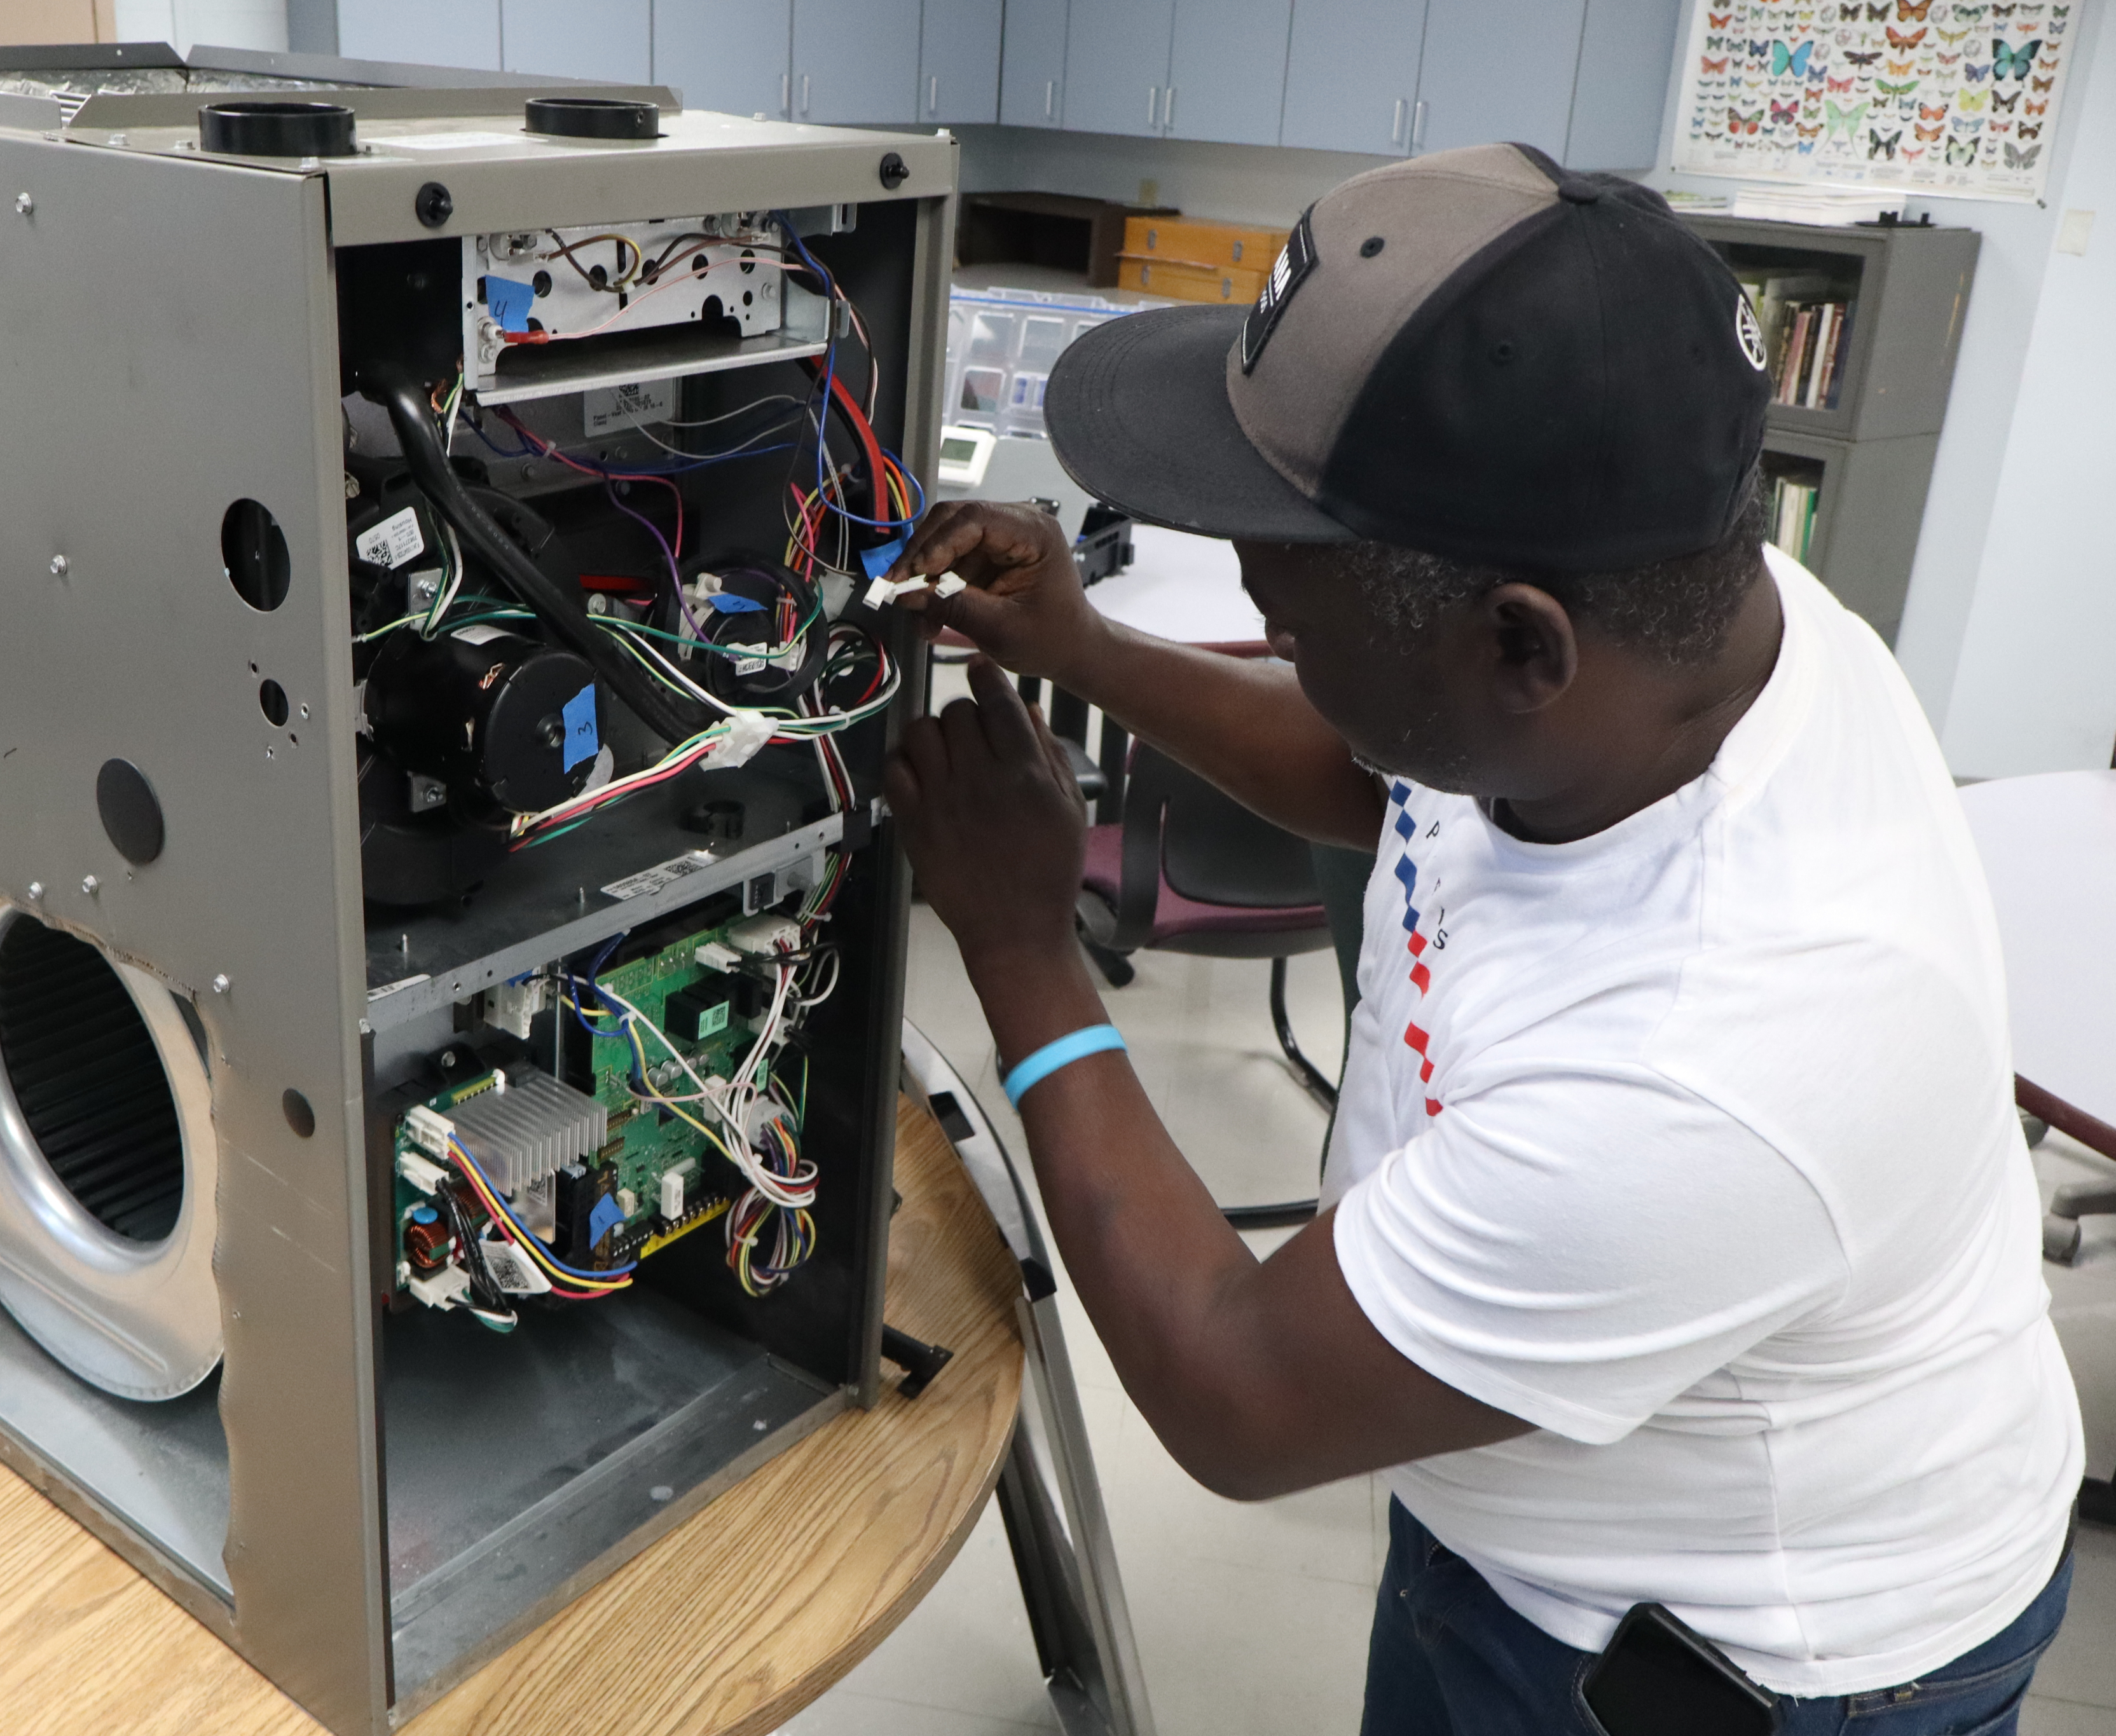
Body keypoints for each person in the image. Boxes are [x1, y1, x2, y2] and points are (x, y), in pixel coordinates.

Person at [883, 143, 2079, 1735]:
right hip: (1514, 1502)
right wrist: (1082, 647)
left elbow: (1237, 1396)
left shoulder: (1719, 1056)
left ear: (1520, 642)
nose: (1255, 606)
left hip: (1725, 1663)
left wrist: (1021, 950)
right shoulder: (1677, 629)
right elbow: (1383, 775)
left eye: (1288, 606)